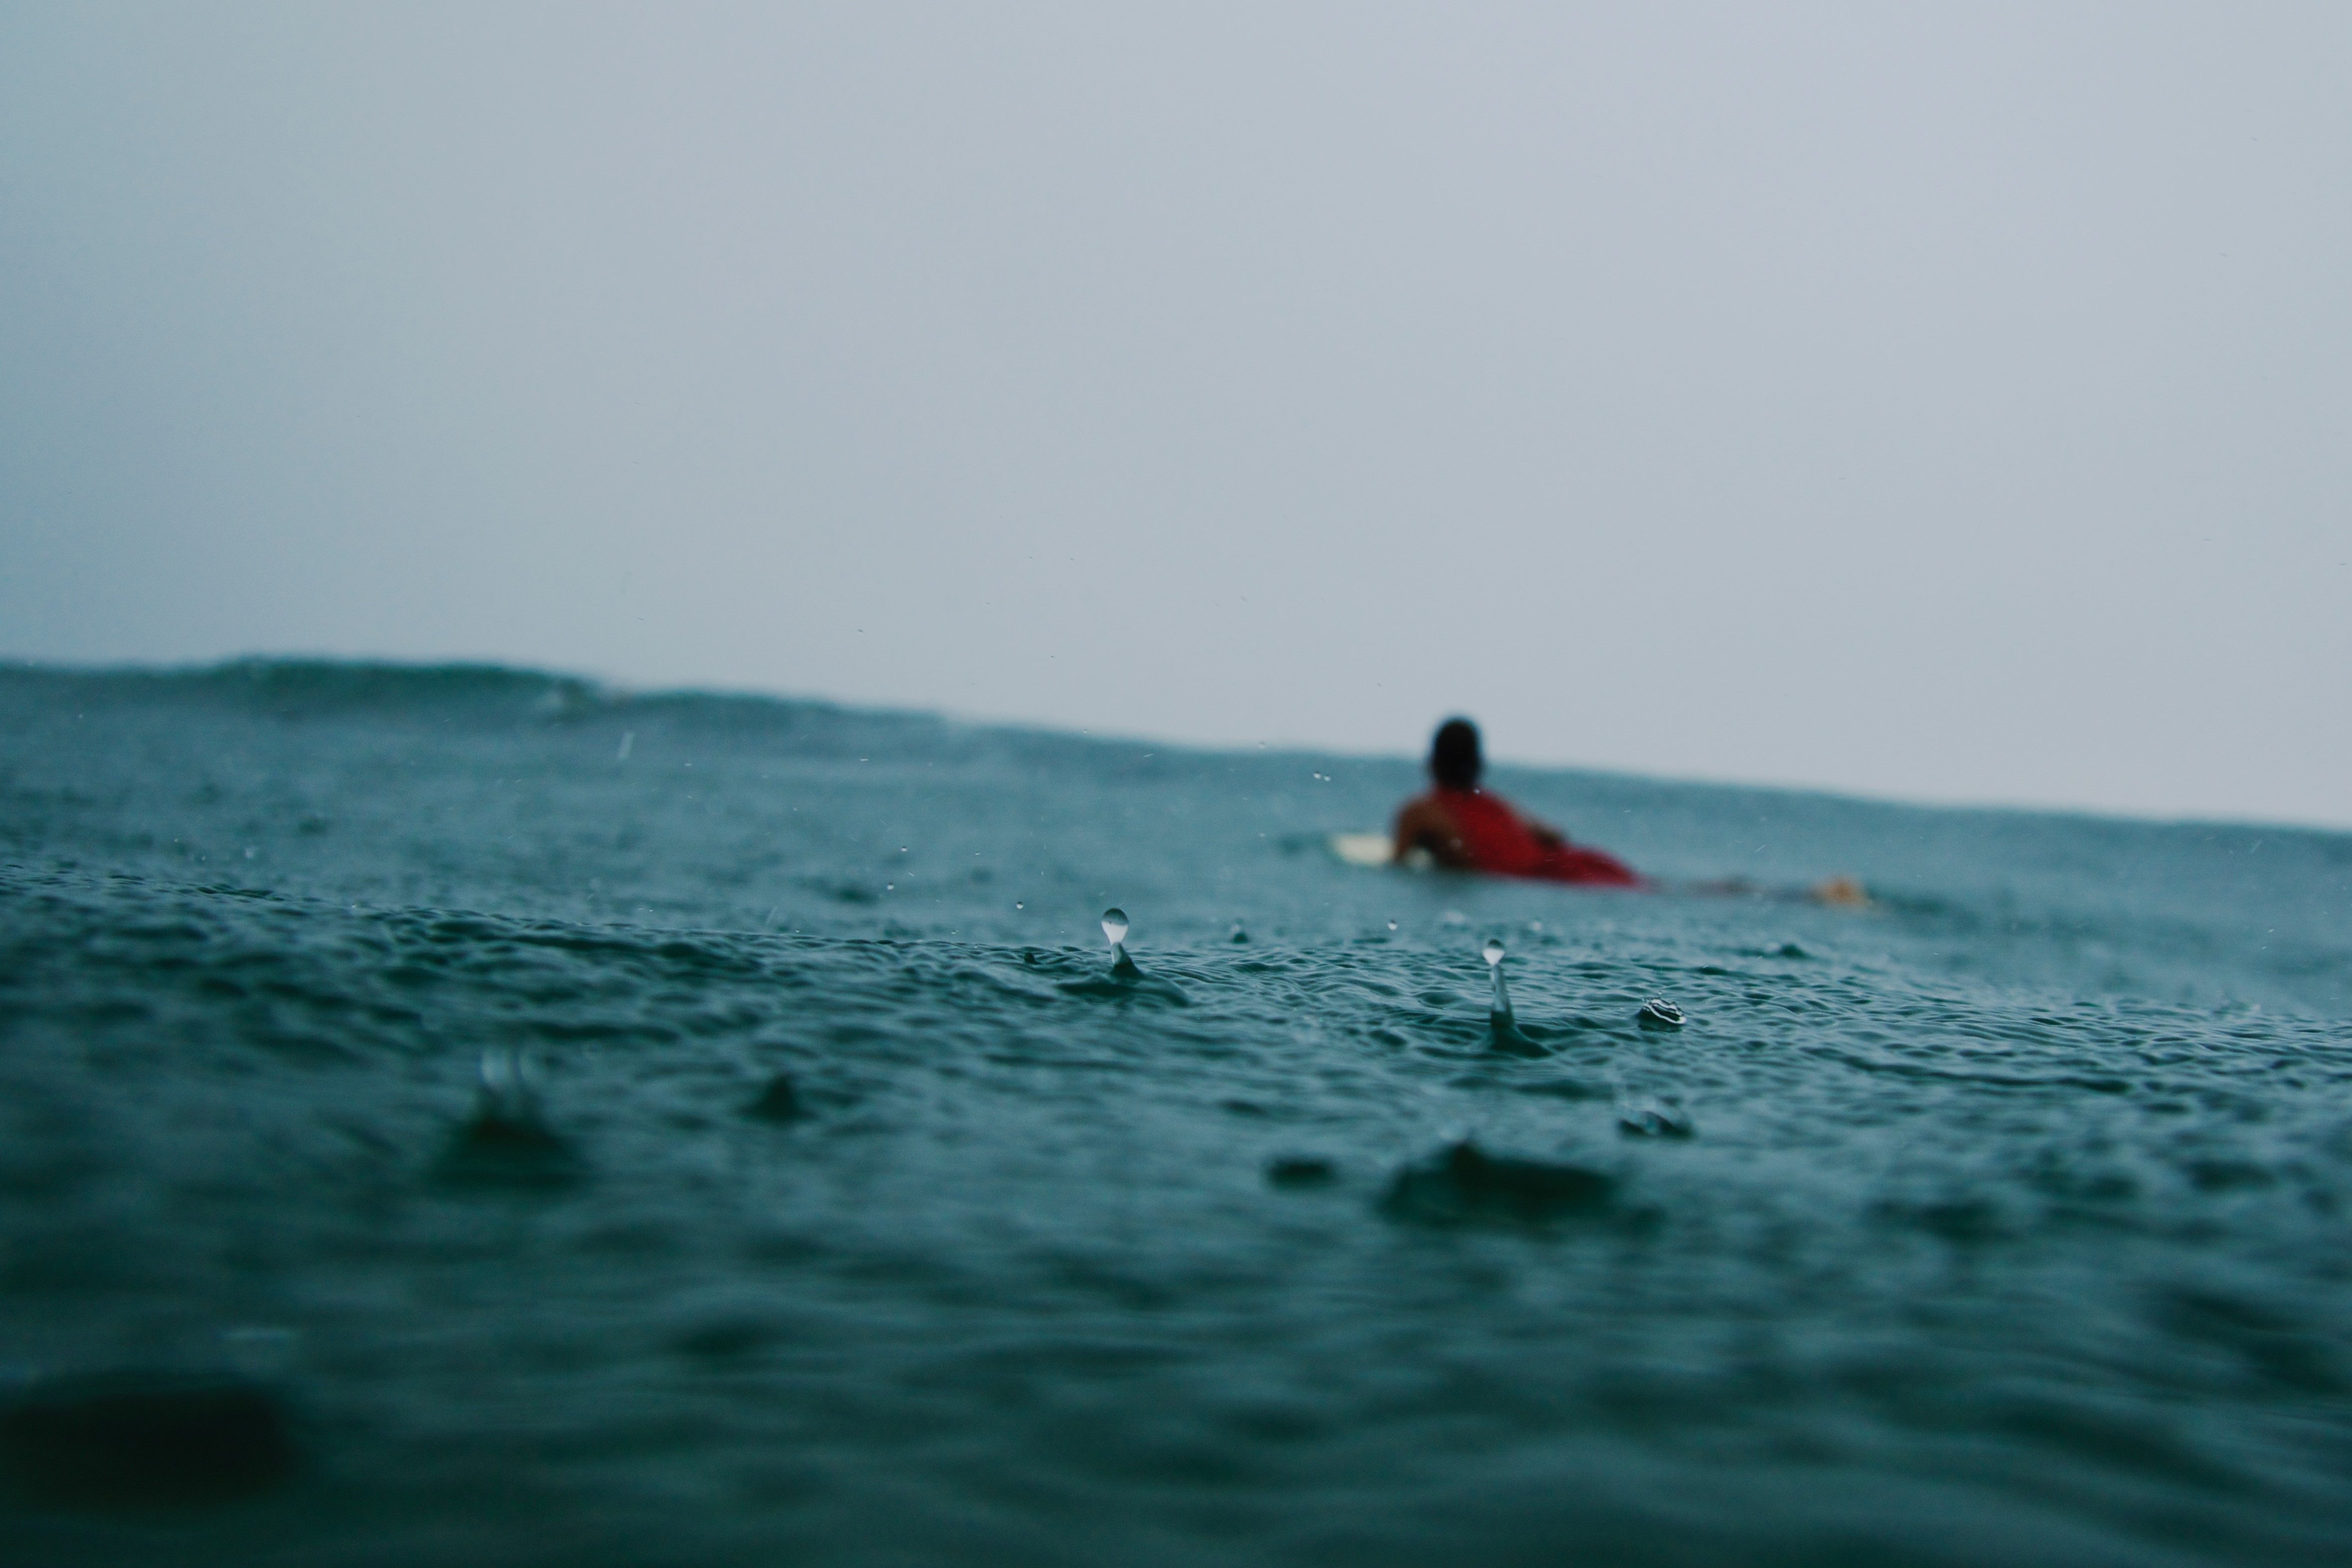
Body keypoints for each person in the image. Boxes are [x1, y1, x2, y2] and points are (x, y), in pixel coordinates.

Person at [1391, 718, 1643, 886]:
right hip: (1569, 862)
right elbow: (1554, 836)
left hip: (1529, 877)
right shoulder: (1497, 804)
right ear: (1479, 764)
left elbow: (1398, 862)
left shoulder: (1421, 812)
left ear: (1433, 762)